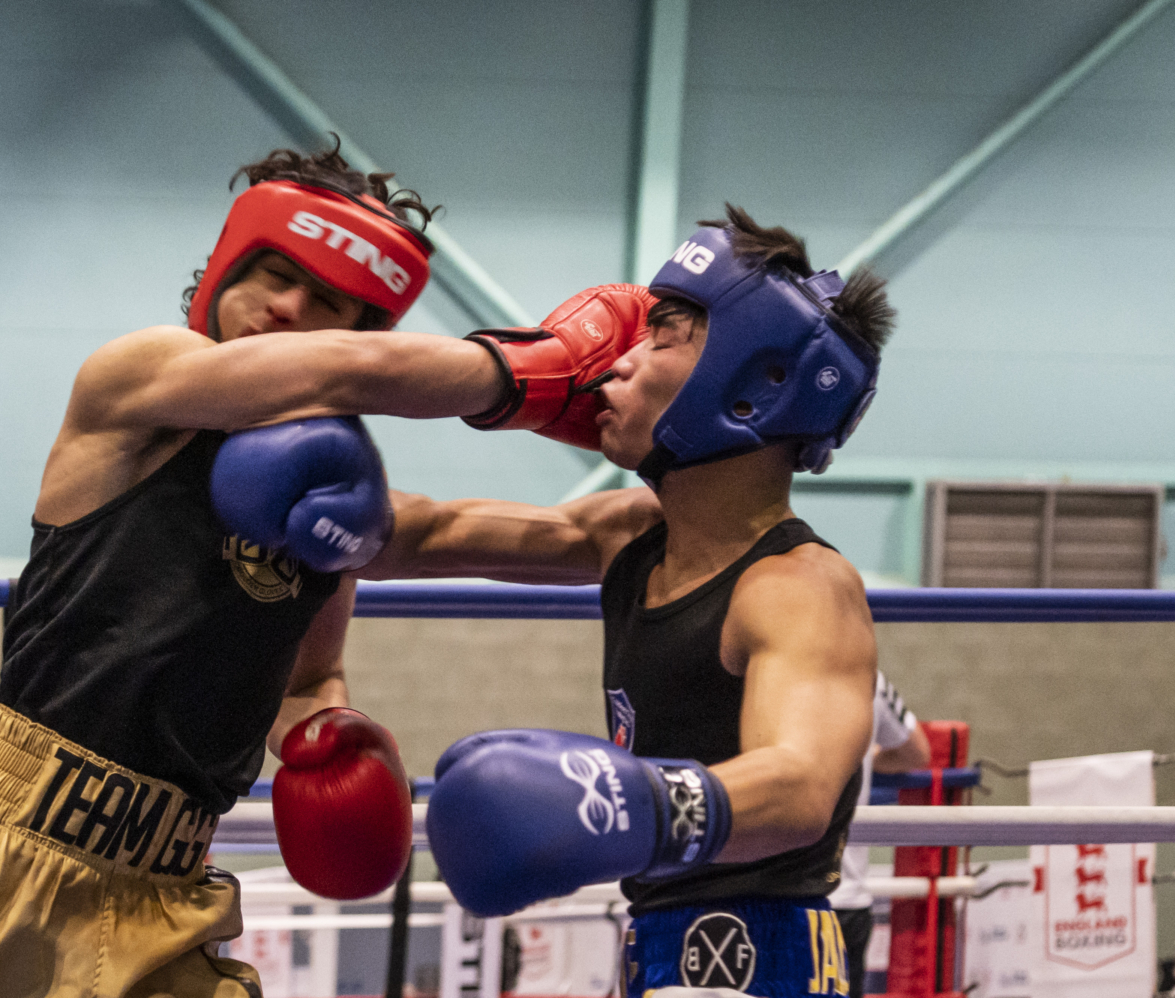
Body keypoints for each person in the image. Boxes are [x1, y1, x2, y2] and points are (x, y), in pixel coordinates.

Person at [0, 143, 514, 998]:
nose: (288, 306)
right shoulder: (139, 380)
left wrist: (327, 734)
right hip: (8, 855)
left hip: (169, 888)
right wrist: (526, 373)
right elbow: (339, 374)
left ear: (359, 330)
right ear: (226, 267)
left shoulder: (333, 507)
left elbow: (313, 671)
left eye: (326, 299)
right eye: (273, 273)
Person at [365, 203, 897, 998]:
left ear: (755, 380)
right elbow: (429, 534)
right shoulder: (634, 535)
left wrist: (622, 804)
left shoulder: (799, 586)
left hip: (766, 959)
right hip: (656, 944)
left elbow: (798, 789)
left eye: (662, 337)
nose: (616, 362)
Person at [829, 672, 931, 998]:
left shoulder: (757, 667)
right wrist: (866, 761)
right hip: (844, 897)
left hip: (766, 890)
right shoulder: (868, 675)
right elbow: (915, 753)